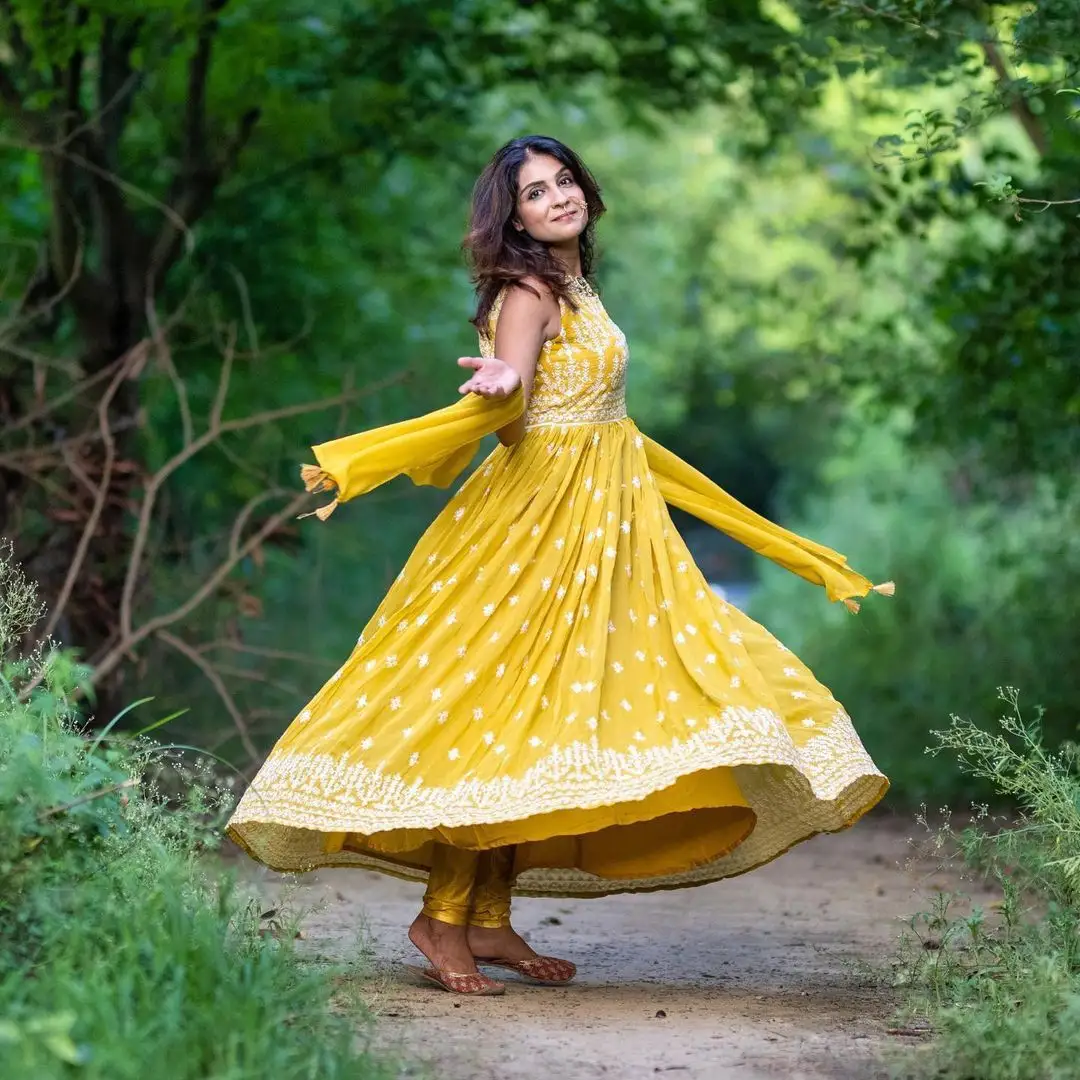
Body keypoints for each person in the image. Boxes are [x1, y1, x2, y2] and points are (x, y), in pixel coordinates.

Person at [226, 135, 892, 997]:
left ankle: (490, 921)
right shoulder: (528, 290)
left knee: (550, 724)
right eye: (536, 193)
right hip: (537, 525)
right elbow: (513, 406)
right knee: (499, 714)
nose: (558, 197)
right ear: (516, 218)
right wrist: (502, 385)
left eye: (564, 180)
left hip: (605, 524)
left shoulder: (578, 286)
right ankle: (442, 917)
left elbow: (605, 416)